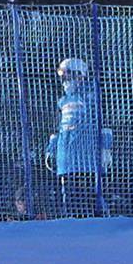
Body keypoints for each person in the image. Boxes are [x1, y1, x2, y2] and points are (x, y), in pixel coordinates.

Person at [41, 56, 110, 214]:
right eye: (62, 76)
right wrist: (51, 148)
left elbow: (104, 124)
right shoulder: (63, 101)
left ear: (80, 75)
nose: (65, 80)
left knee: (90, 201)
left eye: (68, 75)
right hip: (66, 160)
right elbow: (59, 128)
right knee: (71, 202)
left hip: (88, 160)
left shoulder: (93, 96)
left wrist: (105, 148)